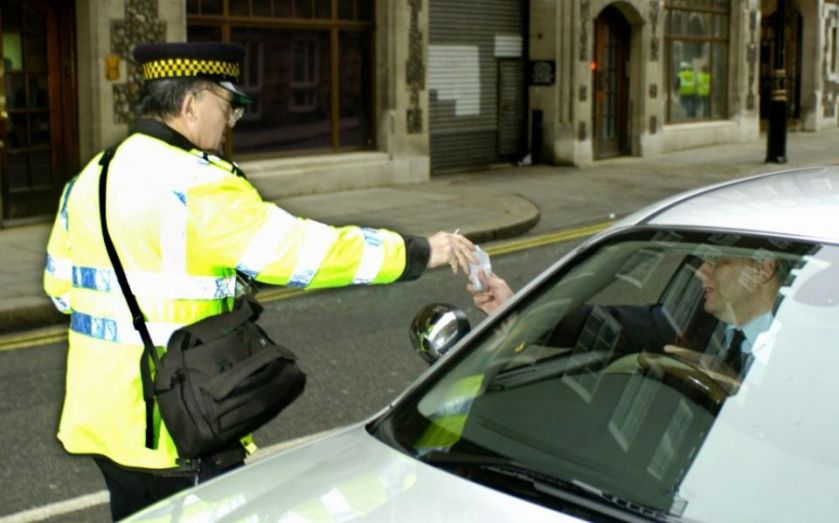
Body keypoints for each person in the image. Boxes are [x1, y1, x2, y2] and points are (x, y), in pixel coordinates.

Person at [43, 42, 475, 521]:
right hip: (177, 421)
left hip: (101, 415)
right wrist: (415, 252)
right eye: (227, 108)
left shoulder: (90, 178)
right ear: (191, 104)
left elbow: (60, 288)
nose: (230, 124)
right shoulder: (196, 182)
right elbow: (304, 253)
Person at [469, 252, 785, 386]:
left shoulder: (812, 350)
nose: (702, 271)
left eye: (717, 261)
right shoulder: (694, 325)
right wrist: (518, 311)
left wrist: (739, 390)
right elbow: (605, 325)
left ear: (763, 269)